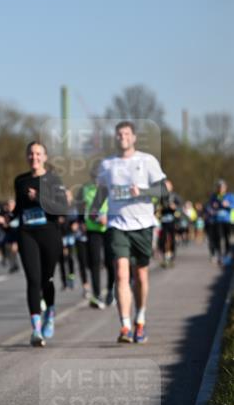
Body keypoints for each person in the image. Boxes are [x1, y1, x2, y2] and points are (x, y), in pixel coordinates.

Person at [88, 122, 166, 344]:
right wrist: (94, 209)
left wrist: (142, 191)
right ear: (115, 138)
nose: (122, 137)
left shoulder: (147, 160)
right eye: (119, 134)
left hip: (142, 225)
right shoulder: (107, 164)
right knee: (121, 274)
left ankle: (139, 319)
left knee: (140, 275)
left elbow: (163, 190)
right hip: (117, 225)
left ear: (134, 137)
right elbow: (102, 192)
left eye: (126, 133)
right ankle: (125, 326)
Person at [11, 141, 68, 347]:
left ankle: (50, 313)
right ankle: (36, 330)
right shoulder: (20, 181)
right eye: (31, 153)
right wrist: (9, 215)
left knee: (47, 279)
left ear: (44, 157)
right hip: (27, 233)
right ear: (27, 156)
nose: (34, 157)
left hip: (49, 234)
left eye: (38, 154)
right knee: (33, 280)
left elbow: (62, 208)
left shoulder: (53, 179)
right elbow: (19, 209)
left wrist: (39, 198)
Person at [74, 165, 115, 309]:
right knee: (95, 262)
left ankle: (110, 291)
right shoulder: (85, 189)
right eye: (95, 176)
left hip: (109, 227)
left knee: (110, 261)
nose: (97, 179)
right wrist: (81, 222)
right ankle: (97, 295)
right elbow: (79, 207)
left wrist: (108, 217)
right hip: (92, 229)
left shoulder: (111, 188)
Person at [207, 179, 233, 266]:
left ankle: (227, 255)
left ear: (226, 187)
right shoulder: (214, 196)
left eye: (222, 187)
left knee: (227, 238)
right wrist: (212, 209)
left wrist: (228, 205)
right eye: (219, 187)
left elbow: (233, 206)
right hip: (217, 221)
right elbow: (209, 207)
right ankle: (219, 255)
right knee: (218, 238)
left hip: (227, 220)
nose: (221, 189)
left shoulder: (229, 196)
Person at [158, 179, 182, 268]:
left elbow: (181, 207)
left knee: (171, 238)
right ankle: (165, 255)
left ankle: (171, 255)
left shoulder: (175, 196)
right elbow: (156, 207)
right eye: (165, 186)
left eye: (168, 186)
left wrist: (175, 207)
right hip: (163, 221)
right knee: (163, 239)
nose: (166, 188)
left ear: (171, 187)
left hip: (172, 221)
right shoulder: (161, 196)